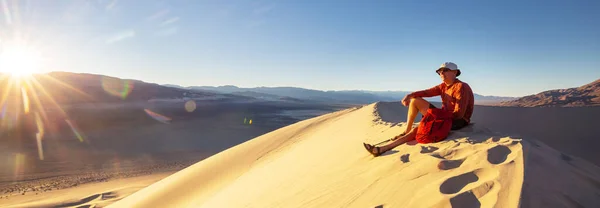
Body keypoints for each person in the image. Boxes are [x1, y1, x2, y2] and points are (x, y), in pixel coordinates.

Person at [364, 62, 474, 156]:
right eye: (439, 72)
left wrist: (434, 117)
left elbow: (459, 114)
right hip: (444, 116)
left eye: (445, 70)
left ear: (455, 72)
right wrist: (409, 95)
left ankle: (383, 148)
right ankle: (406, 131)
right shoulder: (443, 86)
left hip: (458, 121)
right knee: (415, 100)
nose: (441, 73)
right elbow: (426, 92)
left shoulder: (461, 86)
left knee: (419, 129)